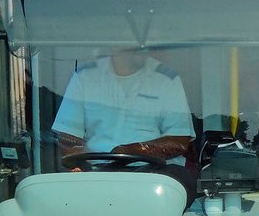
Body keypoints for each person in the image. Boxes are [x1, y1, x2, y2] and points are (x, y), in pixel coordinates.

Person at [52, 48, 194, 165]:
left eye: (143, 40)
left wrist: (130, 151)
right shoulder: (85, 77)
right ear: (115, 42)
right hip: (96, 174)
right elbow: (68, 138)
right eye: (134, 40)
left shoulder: (166, 79)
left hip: (155, 178)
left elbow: (178, 141)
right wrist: (84, 167)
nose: (142, 46)